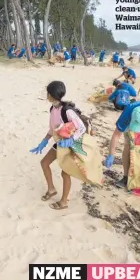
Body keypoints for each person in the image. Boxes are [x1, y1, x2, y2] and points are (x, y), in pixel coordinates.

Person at [29, 81, 87, 210]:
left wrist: (71, 140)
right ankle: (51, 189)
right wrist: (43, 142)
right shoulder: (53, 109)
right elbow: (53, 129)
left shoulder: (67, 111)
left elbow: (81, 128)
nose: (46, 95)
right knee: (44, 163)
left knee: (65, 174)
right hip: (60, 142)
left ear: (51, 95)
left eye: (48, 93)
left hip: (71, 145)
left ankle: (64, 202)